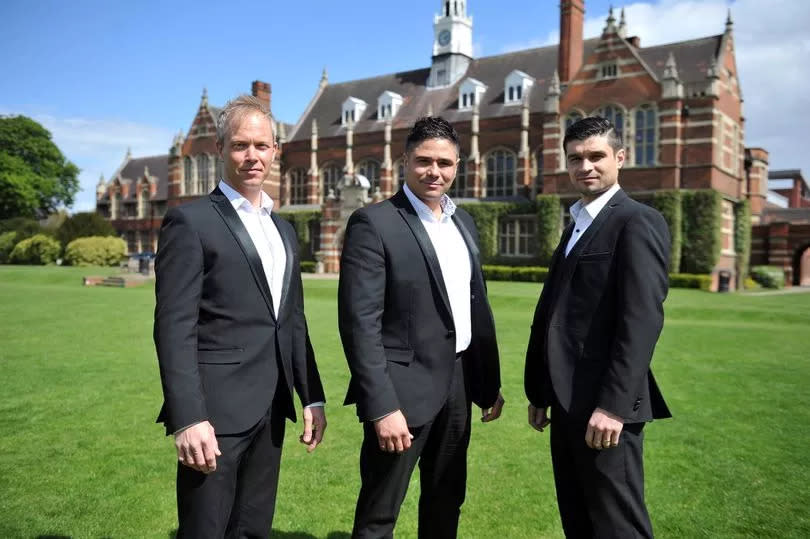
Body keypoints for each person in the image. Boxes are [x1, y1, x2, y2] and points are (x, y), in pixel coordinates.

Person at [153, 95, 326, 538]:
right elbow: (173, 327)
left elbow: (292, 320)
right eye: (241, 145)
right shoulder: (189, 222)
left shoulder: (282, 229)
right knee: (205, 529)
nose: (253, 157)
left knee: (253, 530)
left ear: (275, 151)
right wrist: (188, 417)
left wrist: (312, 396)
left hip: (271, 408)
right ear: (221, 149)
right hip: (215, 413)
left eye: (262, 146)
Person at [338, 116, 505, 538]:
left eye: (445, 163)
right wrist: (382, 407)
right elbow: (360, 324)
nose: (435, 172)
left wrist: (486, 383)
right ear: (405, 162)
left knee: (447, 499)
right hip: (400, 390)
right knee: (379, 512)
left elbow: (473, 309)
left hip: (459, 383)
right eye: (424, 161)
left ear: (458, 164)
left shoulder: (462, 223)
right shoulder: (373, 223)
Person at [524, 116, 671, 538]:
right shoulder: (577, 223)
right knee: (579, 519)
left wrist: (613, 407)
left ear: (619, 158)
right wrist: (540, 390)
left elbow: (640, 321)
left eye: (596, 156)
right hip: (566, 400)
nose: (585, 166)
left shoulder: (636, 221)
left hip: (605, 409)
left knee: (618, 525)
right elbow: (555, 313)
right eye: (575, 158)